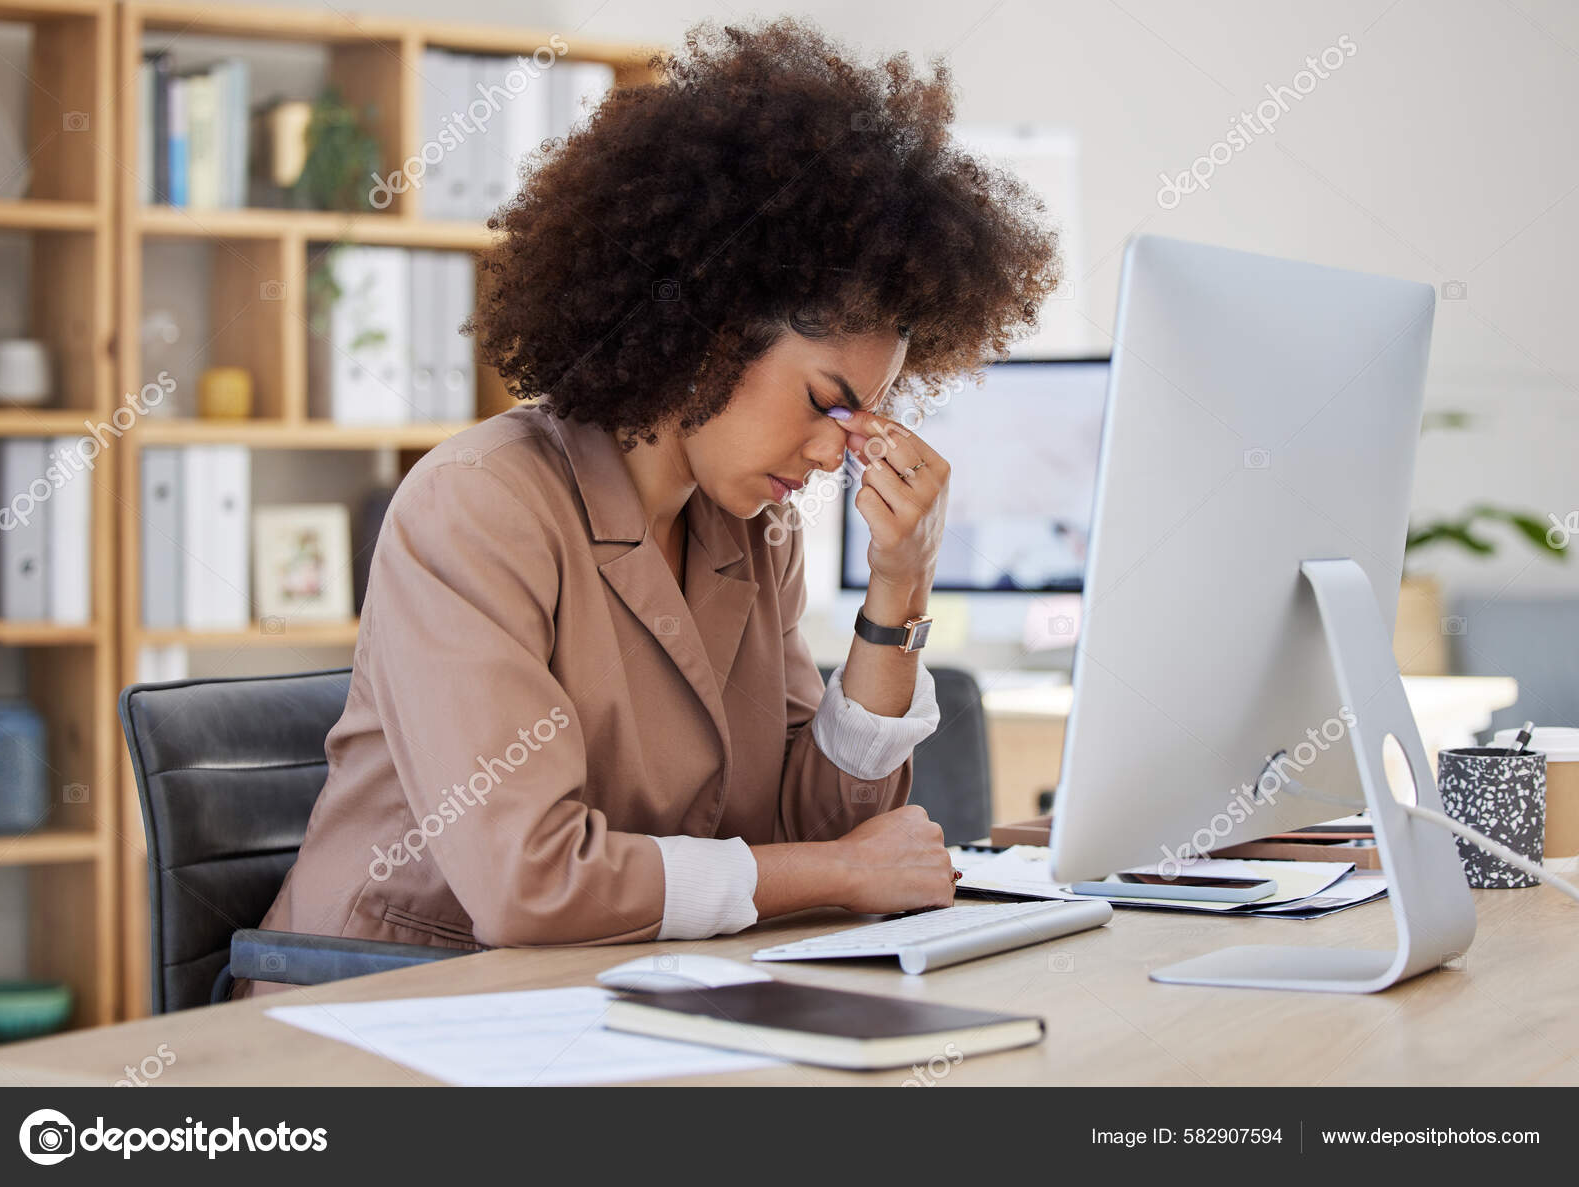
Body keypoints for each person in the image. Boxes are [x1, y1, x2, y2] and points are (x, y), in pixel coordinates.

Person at [236, 17, 1059, 997]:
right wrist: (835, 874)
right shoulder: (480, 506)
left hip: (596, 999)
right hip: (383, 1005)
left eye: (866, 414)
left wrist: (898, 588)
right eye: (826, 400)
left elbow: (814, 826)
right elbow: (530, 881)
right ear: (707, 332)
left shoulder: (752, 530)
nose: (843, 447)